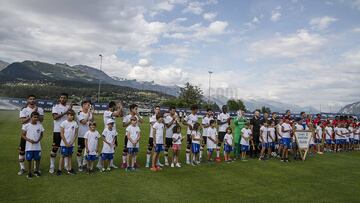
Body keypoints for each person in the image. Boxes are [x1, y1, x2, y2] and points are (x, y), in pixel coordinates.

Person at [18, 94, 44, 175]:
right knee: (22, 151)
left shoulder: (40, 109)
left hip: (36, 133)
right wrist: (32, 114)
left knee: (36, 151)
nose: (32, 100)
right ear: (27, 100)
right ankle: (22, 168)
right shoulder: (24, 109)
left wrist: (36, 112)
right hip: (26, 132)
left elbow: (42, 120)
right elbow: (22, 121)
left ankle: (36, 169)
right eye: (30, 99)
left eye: (33, 99)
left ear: (35, 100)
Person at [49, 93, 72, 174]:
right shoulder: (56, 107)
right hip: (57, 131)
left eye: (64, 98)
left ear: (67, 99)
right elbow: (55, 117)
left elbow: (73, 118)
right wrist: (66, 112)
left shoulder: (68, 107)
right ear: (59, 98)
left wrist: (71, 110)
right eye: (61, 97)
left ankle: (66, 166)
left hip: (67, 132)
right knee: (55, 148)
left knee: (66, 149)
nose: (62, 99)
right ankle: (52, 166)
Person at [99, 101, 123, 169]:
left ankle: (111, 164)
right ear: (112, 106)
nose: (115, 108)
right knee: (105, 150)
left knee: (113, 148)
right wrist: (120, 107)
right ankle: (99, 164)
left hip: (113, 133)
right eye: (115, 106)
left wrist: (120, 108)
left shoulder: (113, 113)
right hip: (107, 133)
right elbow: (117, 113)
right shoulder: (107, 112)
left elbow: (120, 115)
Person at [21, 112, 44, 179]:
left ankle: (36, 171)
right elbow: (22, 135)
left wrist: (38, 140)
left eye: (37, 117)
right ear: (31, 117)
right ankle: (29, 172)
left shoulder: (40, 126)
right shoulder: (26, 125)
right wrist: (29, 140)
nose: (36, 118)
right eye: (34, 117)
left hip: (37, 147)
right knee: (29, 159)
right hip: (29, 147)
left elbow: (42, 135)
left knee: (37, 159)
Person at [57, 110, 78, 176]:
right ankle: (59, 170)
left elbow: (76, 133)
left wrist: (72, 142)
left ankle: (70, 169)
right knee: (62, 156)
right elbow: (62, 134)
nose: (71, 116)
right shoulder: (63, 123)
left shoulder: (75, 123)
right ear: (67, 115)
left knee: (70, 156)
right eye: (70, 115)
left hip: (71, 144)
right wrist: (65, 143)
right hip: (64, 143)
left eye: (72, 115)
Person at [122, 104, 143, 168]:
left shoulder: (137, 116)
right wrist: (130, 121)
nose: (137, 110)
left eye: (137, 109)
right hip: (128, 136)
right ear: (131, 109)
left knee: (135, 151)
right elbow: (123, 125)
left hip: (136, 136)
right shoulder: (127, 116)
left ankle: (134, 163)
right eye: (135, 109)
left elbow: (142, 121)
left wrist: (138, 115)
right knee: (126, 150)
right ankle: (124, 163)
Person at [76, 100, 94, 172]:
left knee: (87, 150)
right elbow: (83, 122)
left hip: (89, 135)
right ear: (83, 105)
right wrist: (89, 113)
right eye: (87, 105)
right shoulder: (79, 113)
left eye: (89, 105)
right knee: (80, 150)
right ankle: (79, 165)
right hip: (81, 134)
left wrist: (91, 113)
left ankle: (84, 164)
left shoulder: (90, 113)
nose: (89, 106)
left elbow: (92, 121)